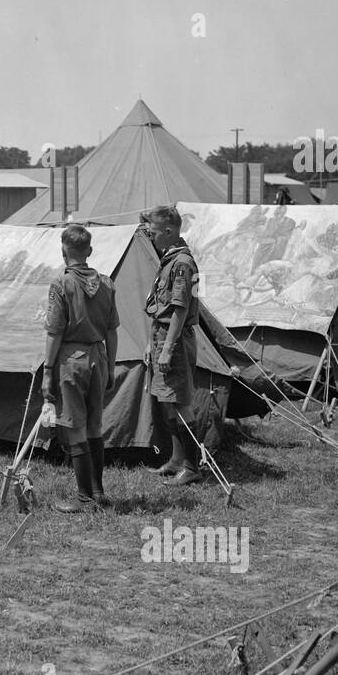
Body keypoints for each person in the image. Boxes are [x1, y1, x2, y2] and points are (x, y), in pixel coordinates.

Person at [41, 224, 119, 512]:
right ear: (89, 251)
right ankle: (98, 492)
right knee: (95, 426)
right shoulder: (108, 283)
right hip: (98, 356)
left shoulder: (61, 285)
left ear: (64, 252)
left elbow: (54, 332)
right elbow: (112, 331)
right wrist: (110, 366)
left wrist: (48, 370)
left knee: (75, 427)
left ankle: (84, 498)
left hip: (72, 360)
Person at [141, 205, 202, 485]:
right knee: (168, 403)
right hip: (162, 335)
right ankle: (177, 461)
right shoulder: (170, 259)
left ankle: (192, 467)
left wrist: (166, 349)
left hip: (174, 339)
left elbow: (179, 309)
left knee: (180, 404)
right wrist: (151, 344)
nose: (151, 237)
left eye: (153, 233)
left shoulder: (182, 264)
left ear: (168, 231)